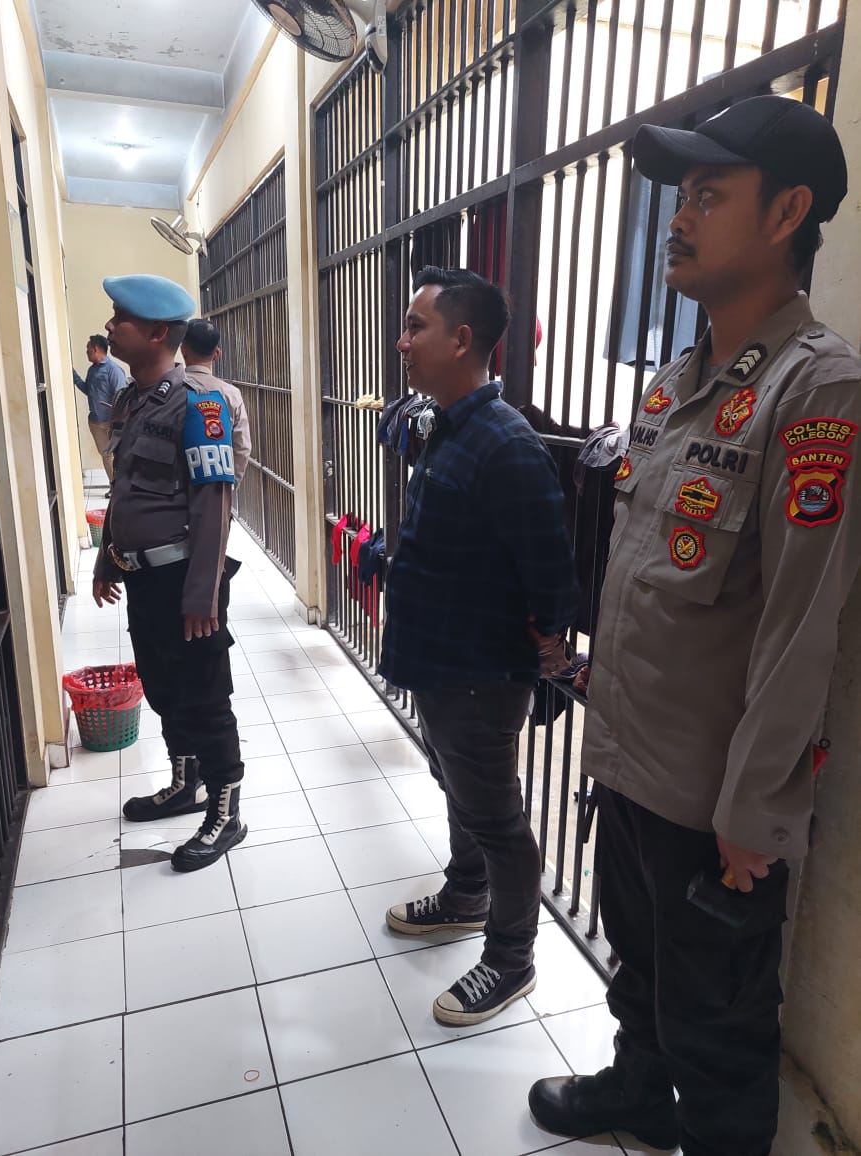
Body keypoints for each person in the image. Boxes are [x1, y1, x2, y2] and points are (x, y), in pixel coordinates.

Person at [528, 96, 861, 1156]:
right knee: (640, 968)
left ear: (787, 213)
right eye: (681, 195)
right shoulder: (677, 385)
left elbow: (801, 628)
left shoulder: (817, 391)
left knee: (719, 1028)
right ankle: (638, 1091)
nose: (678, 217)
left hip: (710, 802)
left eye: (708, 195)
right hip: (630, 759)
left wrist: (753, 812)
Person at [380, 266, 578, 1026]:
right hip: (437, 660)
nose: (402, 342)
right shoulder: (447, 426)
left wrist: (549, 641)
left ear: (462, 339)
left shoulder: (505, 443)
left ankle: (511, 957)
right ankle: (466, 894)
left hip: (478, 671)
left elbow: (549, 568)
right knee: (457, 786)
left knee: (495, 815)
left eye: (415, 327)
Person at [91, 274, 248, 872]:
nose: (110, 327)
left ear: (157, 332)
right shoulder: (132, 401)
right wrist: (108, 558)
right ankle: (186, 785)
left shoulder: (200, 404)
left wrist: (203, 593)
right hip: (143, 579)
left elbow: (214, 503)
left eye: (121, 318)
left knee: (204, 696)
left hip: (185, 580)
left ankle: (226, 812)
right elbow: (125, 490)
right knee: (161, 686)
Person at [181, 318, 252, 485]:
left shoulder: (172, 390)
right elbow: (242, 447)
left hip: (177, 489)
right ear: (217, 354)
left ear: (183, 350)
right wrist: (230, 485)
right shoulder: (231, 394)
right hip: (217, 488)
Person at [73, 334, 127, 494]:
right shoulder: (92, 370)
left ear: (96, 349)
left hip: (111, 422)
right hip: (96, 422)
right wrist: (74, 376)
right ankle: (114, 486)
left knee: (117, 455)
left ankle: (120, 487)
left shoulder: (113, 370)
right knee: (106, 455)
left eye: (88, 349)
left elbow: (121, 396)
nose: (86, 352)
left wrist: (115, 412)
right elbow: (88, 390)